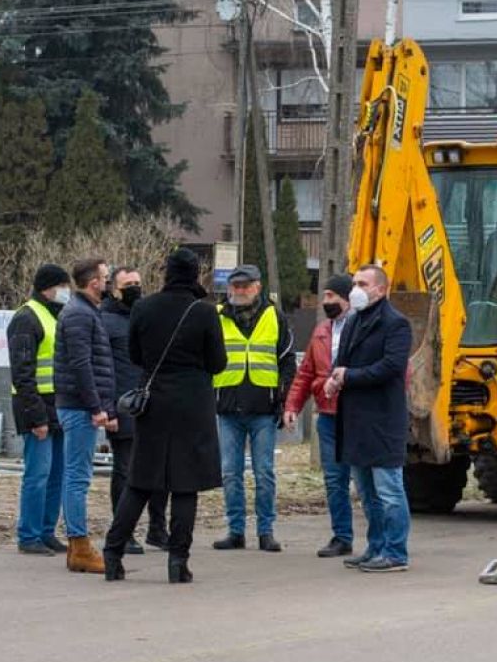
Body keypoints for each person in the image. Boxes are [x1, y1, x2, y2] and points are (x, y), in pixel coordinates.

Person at [104, 249, 227, 583]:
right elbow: (218, 362)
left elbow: (135, 354)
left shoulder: (143, 307)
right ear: (195, 275)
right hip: (192, 404)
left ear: (166, 273)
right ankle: (177, 561)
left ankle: (113, 553)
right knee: (186, 486)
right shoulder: (203, 312)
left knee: (141, 480)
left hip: (153, 401)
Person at [326, 264, 413, 573]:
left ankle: (396, 552)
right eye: (354, 284)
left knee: (389, 490)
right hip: (356, 420)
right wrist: (335, 376)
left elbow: (391, 367)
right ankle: (375, 546)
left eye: (362, 283)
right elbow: (342, 361)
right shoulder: (353, 321)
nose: (355, 290)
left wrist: (349, 375)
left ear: (381, 289)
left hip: (383, 420)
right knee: (366, 492)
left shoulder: (396, 324)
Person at [211, 264, 296, 553]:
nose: (239, 290)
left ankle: (265, 531)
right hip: (228, 406)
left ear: (258, 286)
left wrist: (285, 402)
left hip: (263, 408)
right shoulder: (217, 317)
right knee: (230, 473)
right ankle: (235, 531)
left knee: (264, 473)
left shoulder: (275, 316)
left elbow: (287, 362)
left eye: (245, 285)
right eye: (235, 285)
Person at [284, 274, 355, 558]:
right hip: (328, 415)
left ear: (346, 298)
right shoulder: (322, 331)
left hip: (357, 415)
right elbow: (306, 373)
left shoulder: (363, 328)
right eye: (324, 296)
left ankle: (382, 540)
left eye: (330, 296)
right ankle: (342, 537)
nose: (325, 302)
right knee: (334, 480)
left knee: (366, 482)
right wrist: (292, 406)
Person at [54, 257, 115, 575]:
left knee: (76, 475)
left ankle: (77, 546)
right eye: (105, 277)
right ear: (94, 282)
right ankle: (79, 545)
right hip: (79, 407)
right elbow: (81, 364)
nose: (108, 282)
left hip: (79, 405)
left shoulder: (86, 311)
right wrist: (96, 407)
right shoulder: (79, 314)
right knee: (78, 477)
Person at [101, 265, 168, 555]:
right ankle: (123, 531)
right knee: (126, 472)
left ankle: (157, 528)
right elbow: (103, 370)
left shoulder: (149, 316)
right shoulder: (104, 320)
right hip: (123, 406)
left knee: (161, 471)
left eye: (138, 282)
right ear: (114, 288)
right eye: (128, 283)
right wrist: (108, 409)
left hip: (153, 405)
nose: (135, 288)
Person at [7, 264, 71, 556]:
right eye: (63, 286)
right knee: (38, 474)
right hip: (36, 407)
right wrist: (36, 417)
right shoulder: (26, 318)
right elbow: (22, 374)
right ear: (49, 287)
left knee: (56, 473)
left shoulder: (52, 315)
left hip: (56, 404)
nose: (66, 291)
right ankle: (29, 535)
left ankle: (46, 532)